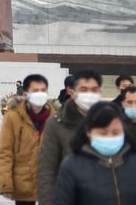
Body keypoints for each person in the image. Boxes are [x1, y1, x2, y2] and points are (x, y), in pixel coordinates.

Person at [52, 101, 136, 205]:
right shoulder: (72, 166)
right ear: (88, 132)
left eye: (116, 132)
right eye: (103, 133)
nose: (110, 137)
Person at [37, 69, 103, 205]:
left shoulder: (112, 122)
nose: (89, 94)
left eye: (94, 89)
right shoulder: (56, 123)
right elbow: (47, 170)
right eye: (83, 89)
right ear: (72, 92)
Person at [0, 74, 57, 205]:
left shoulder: (56, 118)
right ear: (25, 94)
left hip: (50, 183)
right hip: (23, 182)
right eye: (35, 91)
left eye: (43, 90)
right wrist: (5, 183)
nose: (40, 94)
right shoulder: (13, 117)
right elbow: (5, 151)